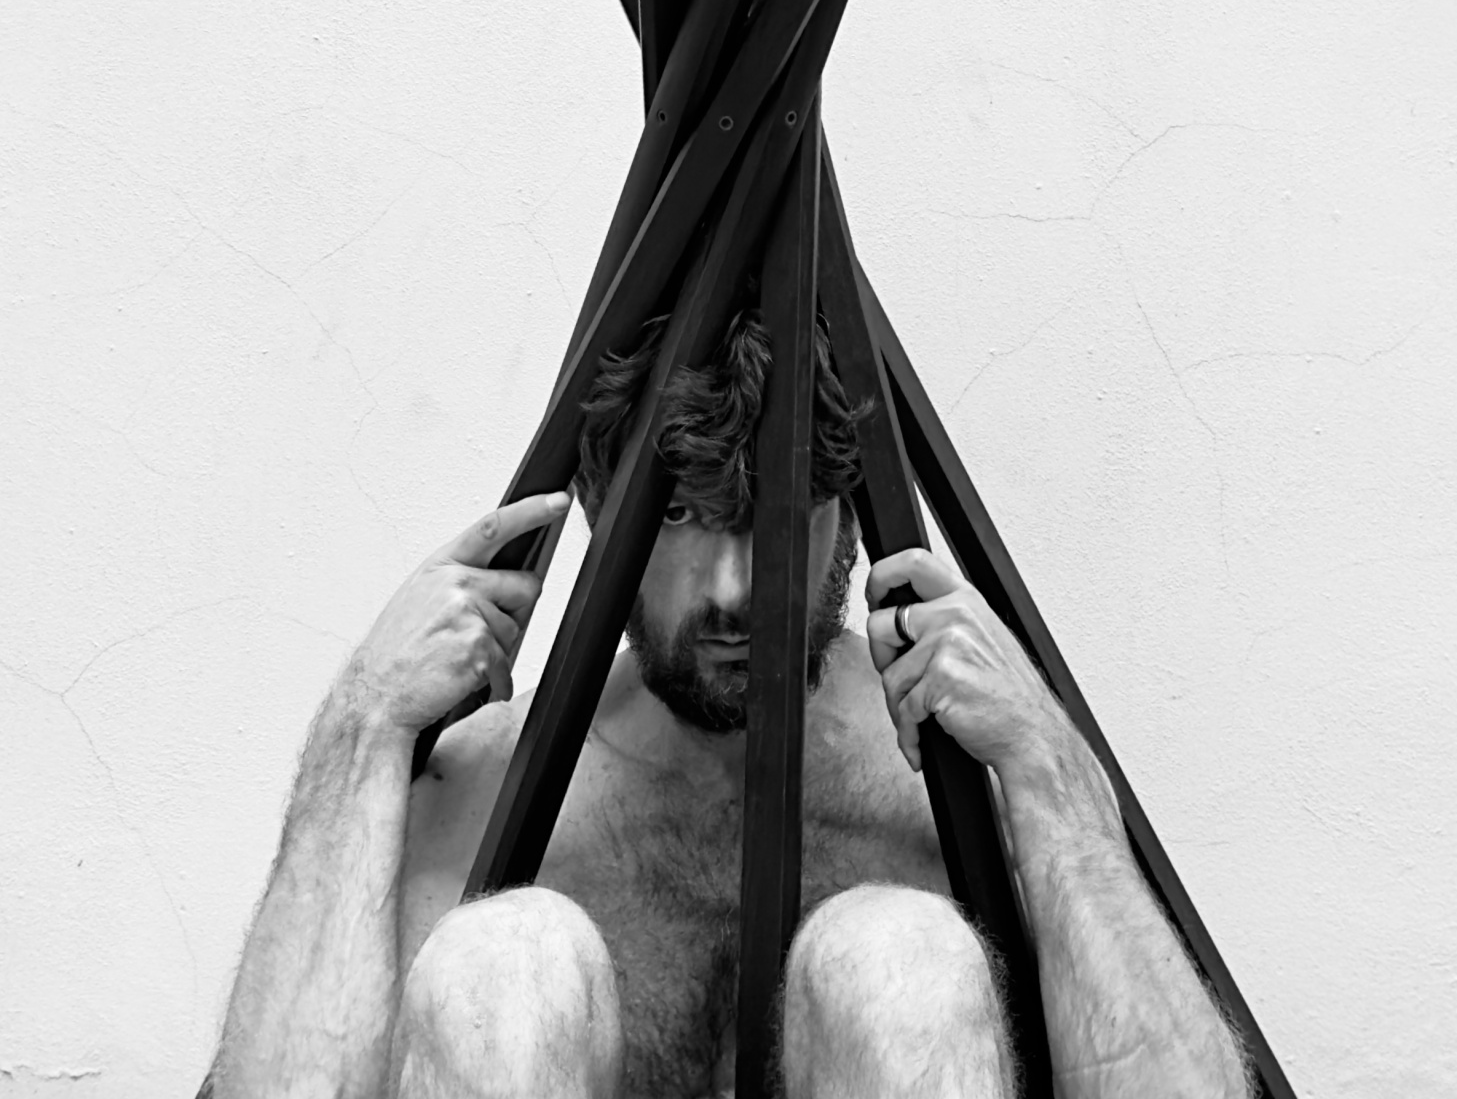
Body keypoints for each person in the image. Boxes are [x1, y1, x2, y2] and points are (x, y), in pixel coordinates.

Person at [205, 312, 1252, 1099]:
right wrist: (361, 726)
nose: (732, 589)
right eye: (682, 517)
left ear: (848, 522)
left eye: (781, 517)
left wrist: (1046, 768)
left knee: (897, 960)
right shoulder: (492, 784)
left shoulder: (950, 779)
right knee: (504, 964)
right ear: (605, 518)